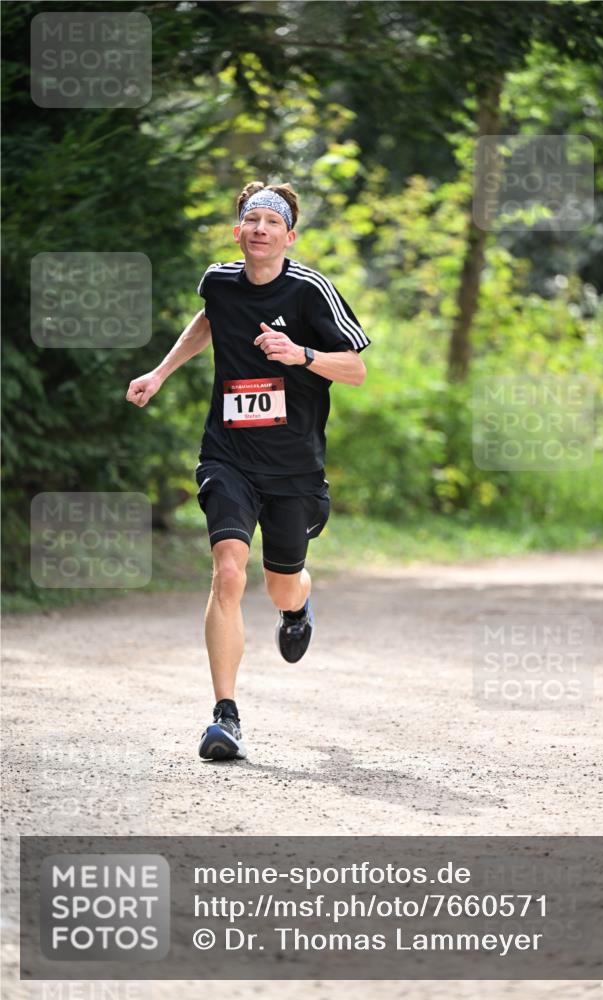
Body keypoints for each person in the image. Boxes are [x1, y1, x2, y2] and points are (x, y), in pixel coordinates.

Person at [126, 181, 370, 761]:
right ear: (239, 231)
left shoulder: (311, 291)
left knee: (279, 581)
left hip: (294, 469)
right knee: (228, 572)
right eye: (251, 220)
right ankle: (225, 717)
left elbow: (356, 369)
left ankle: (295, 607)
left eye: (272, 222)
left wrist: (300, 355)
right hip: (229, 455)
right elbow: (209, 318)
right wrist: (160, 373)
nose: (260, 229)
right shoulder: (220, 282)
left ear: (290, 235)